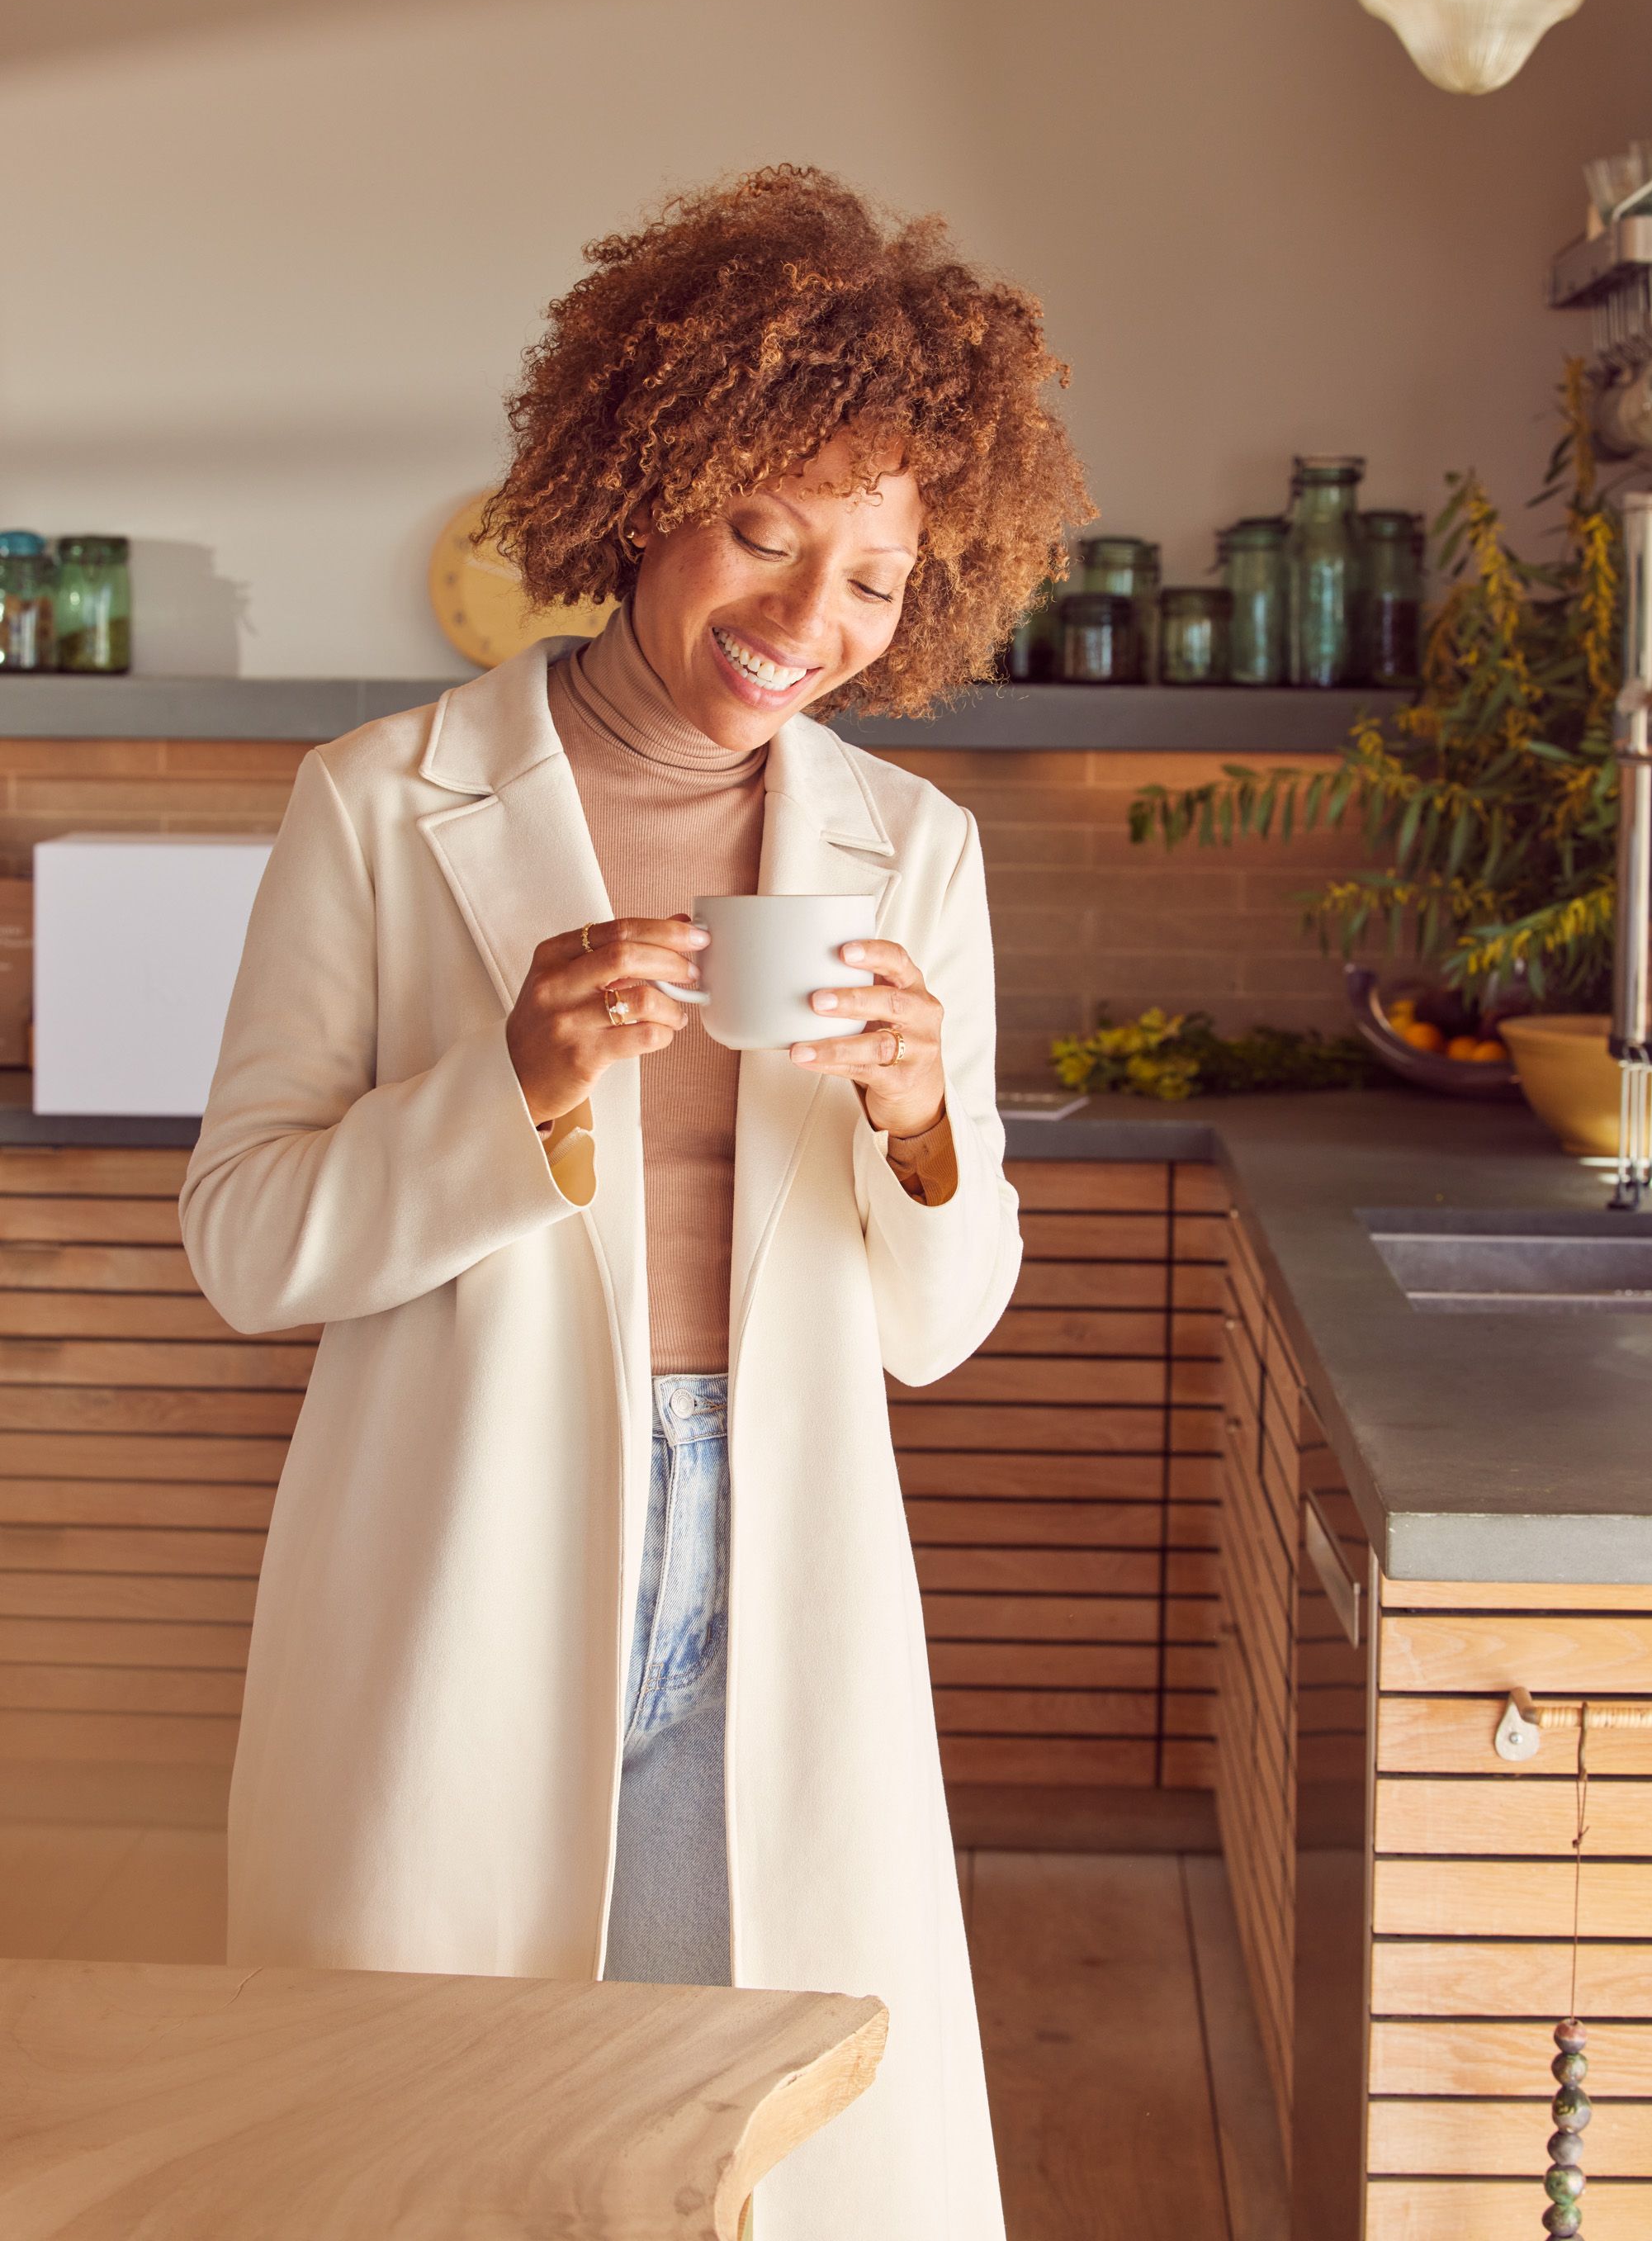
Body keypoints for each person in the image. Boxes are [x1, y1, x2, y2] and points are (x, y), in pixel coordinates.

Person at [181, 166, 1091, 2241]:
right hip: (466, 1533)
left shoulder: (906, 844)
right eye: (763, 533)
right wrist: (513, 1085)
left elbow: (929, 1321)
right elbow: (246, 1241)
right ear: (645, 478)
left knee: (739, 2103)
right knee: (432, 2128)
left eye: (874, 578)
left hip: (771, 1541)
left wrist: (922, 1118)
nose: (803, 624)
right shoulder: (385, 802)